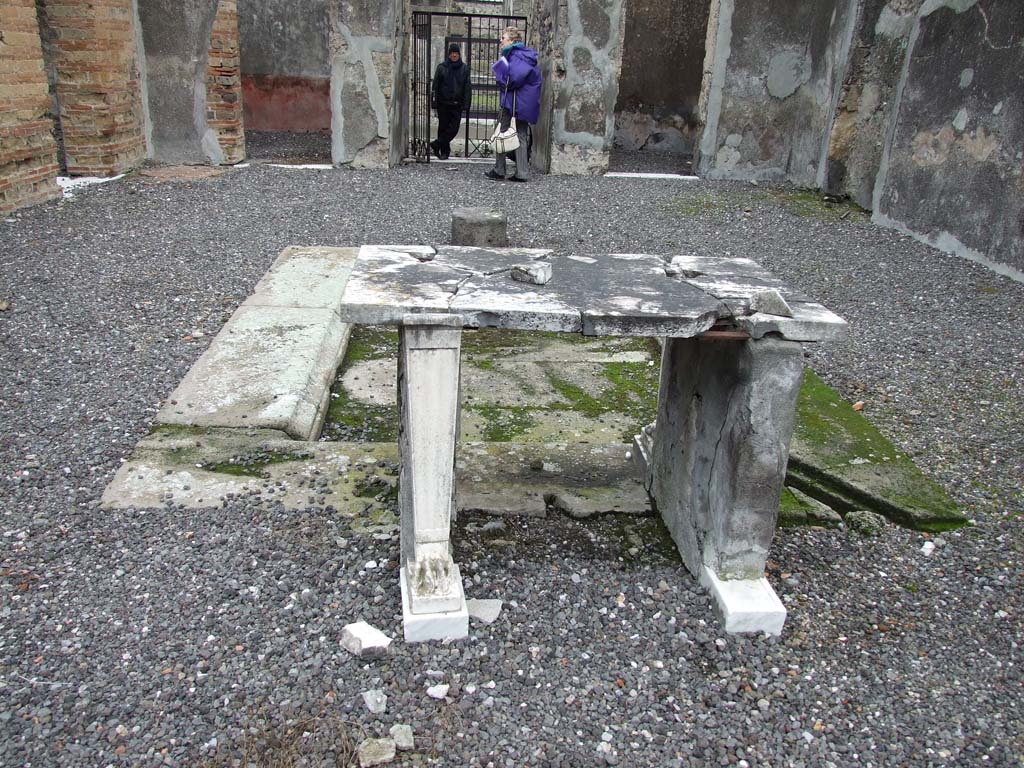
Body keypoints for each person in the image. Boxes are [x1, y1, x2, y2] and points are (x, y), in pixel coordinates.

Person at [485, 27, 541, 182]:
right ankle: (520, 171)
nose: (500, 41)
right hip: (521, 103)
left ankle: (501, 169)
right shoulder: (523, 55)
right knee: (520, 135)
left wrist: (499, 76)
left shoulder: (516, 56)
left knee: (502, 133)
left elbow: (513, 79)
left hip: (513, 104)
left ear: (511, 40)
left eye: (503, 38)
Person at [430, 42, 471, 160]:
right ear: (449, 54)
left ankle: (437, 143)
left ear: (459, 55)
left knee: (454, 128)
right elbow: (435, 86)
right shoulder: (442, 67)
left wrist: (466, 104)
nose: (454, 55)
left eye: (456, 53)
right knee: (443, 127)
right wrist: (434, 101)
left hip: (456, 104)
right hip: (443, 103)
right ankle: (444, 152)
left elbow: (467, 87)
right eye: (452, 53)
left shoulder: (464, 69)